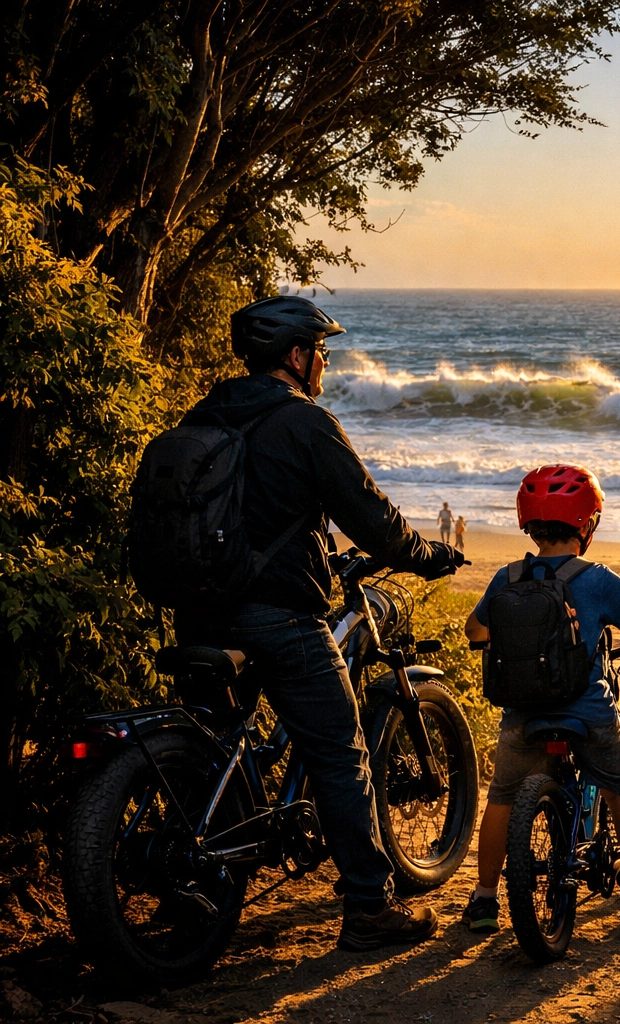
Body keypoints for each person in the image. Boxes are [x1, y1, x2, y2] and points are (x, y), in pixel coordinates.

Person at [177, 295, 464, 951]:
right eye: (323, 354)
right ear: (299, 357)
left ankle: (202, 892)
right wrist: (427, 556)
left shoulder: (206, 415)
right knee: (342, 754)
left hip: (196, 613)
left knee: (221, 744)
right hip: (278, 617)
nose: (326, 366)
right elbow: (373, 518)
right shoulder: (306, 424)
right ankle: (368, 909)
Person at [462, 464, 620, 931]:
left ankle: (484, 900)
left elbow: (475, 631)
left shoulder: (508, 576)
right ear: (586, 524)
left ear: (529, 522)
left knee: (502, 797)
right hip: (588, 714)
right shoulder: (596, 578)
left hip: (522, 716)